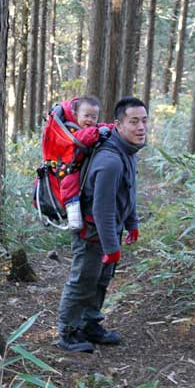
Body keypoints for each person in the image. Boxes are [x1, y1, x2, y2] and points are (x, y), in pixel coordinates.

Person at [56, 96, 149, 353]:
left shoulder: (127, 151)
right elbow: (102, 208)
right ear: (119, 124)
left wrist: (132, 223)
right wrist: (111, 247)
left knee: (100, 280)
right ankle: (67, 332)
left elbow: (127, 191)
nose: (141, 127)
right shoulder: (110, 160)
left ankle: (90, 325)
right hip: (92, 231)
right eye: (134, 122)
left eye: (144, 120)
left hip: (109, 230)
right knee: (83, 280)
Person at [56, 97, 113, 230]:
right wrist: (98, 132)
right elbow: (83, 137)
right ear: (76, 115)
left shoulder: (92, 128)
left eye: (94, 117)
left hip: (80, 166)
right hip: (69, 169)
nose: (90, 120)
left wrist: (114, 128)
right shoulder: (71, 130)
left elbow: (101, 127)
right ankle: (73, 219)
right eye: (86, 116)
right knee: (70, 188)